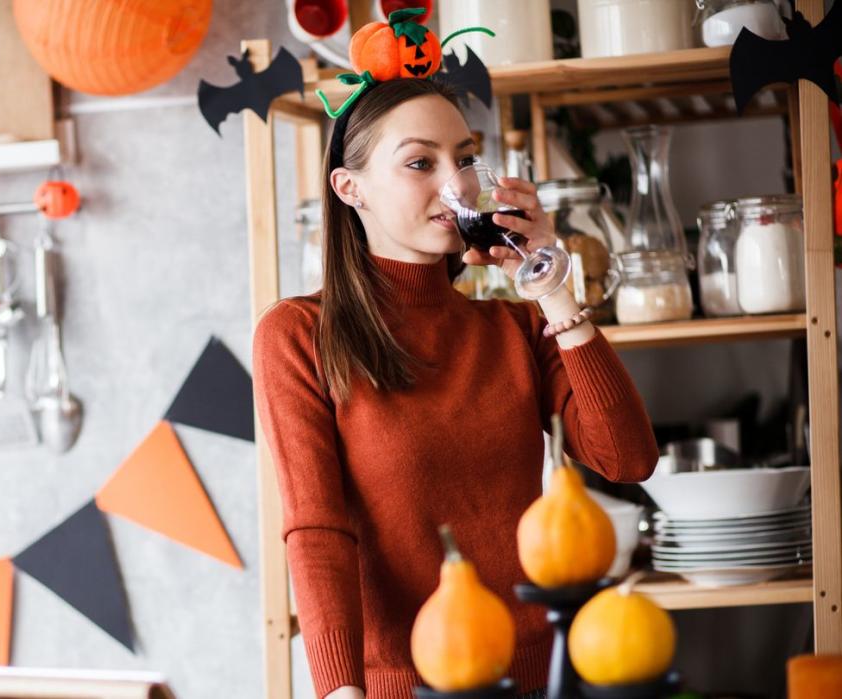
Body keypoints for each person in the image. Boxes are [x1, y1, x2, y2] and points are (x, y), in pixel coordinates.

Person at [251, 77, 660, 699]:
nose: (458, 183)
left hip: (543, 679)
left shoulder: (517, 326)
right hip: (398, 687)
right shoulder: (300, 334)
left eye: (466, 158)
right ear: (349, 187)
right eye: (421, 162)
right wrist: (339, 691)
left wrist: (549, 283)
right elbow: (316, 530)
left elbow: (627, 459)